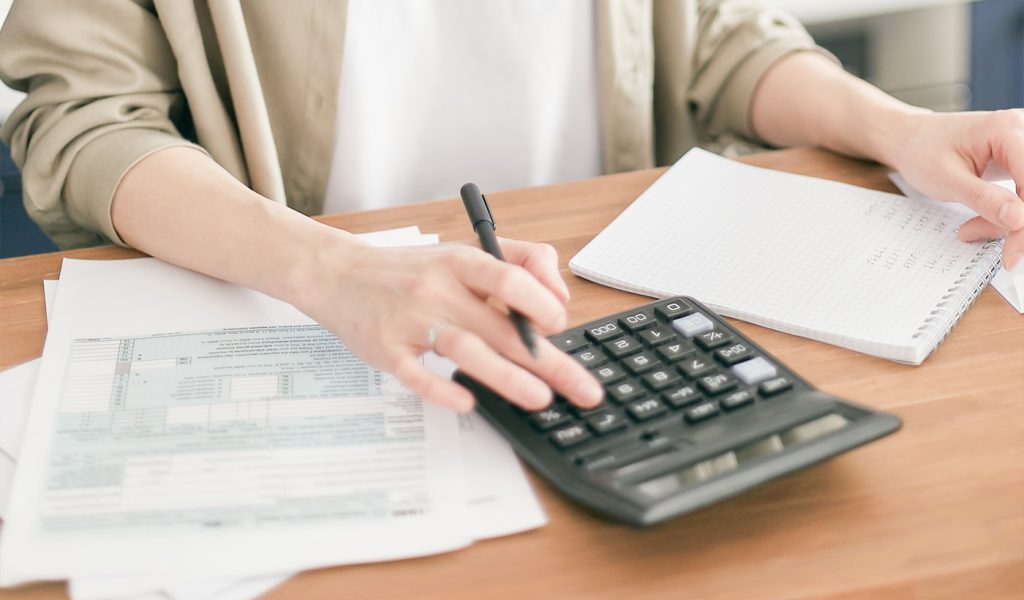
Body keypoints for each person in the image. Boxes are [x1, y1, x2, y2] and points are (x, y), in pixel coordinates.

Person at [0, 1, 1021, 414]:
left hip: (589, 309)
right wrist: (329, 268)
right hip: (312, 322)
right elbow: (85, 124)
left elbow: (718, 39)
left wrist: (896, 129)